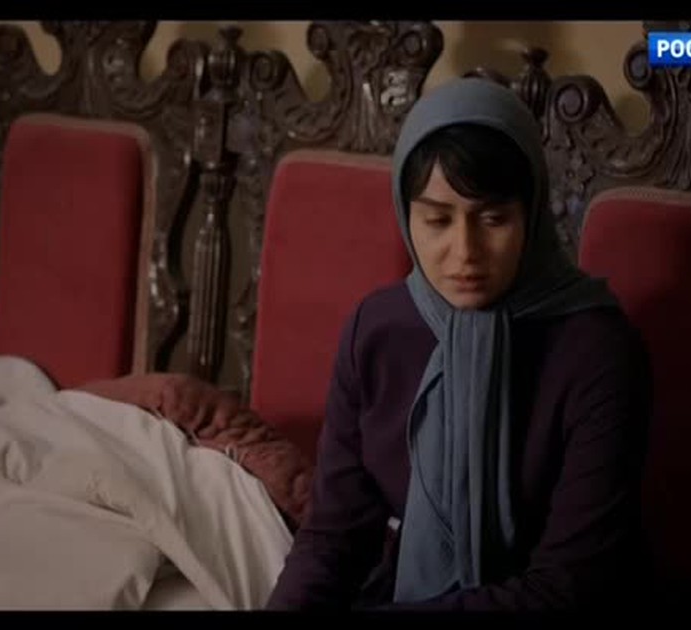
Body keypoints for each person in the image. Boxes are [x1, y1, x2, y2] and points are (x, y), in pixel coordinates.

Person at [265, 78, 653, 611]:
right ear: (407, 216)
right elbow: (335, 535)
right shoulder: (377, 331)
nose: (465, 251)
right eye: (437, 220)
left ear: (532, 213)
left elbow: (568, 586)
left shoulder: (597, 353)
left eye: (493, 219)